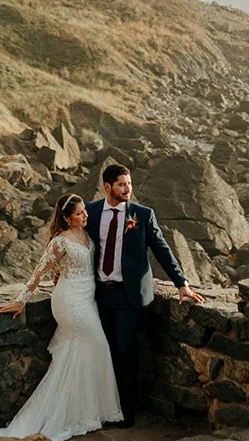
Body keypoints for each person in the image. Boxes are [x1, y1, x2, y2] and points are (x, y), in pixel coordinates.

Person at [0, 194, 123, 441]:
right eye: (79, 214)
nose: (85, 216)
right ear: (66, 218)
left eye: (85, 211)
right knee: (96, 344)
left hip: (88, 298)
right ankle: (64, 415)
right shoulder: (59, 242)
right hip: (69, 301)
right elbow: (37, 274)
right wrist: (20, 300)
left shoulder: (86, 234)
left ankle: (87, 413)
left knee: (89, 351)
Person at [87, 163, 203, 427]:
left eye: (129, 183)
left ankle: (125, 414)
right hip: (98, 295)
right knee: (104, 353)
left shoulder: (143, 215)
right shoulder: (91, 211)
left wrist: (181, 283)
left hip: (128, 297)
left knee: (126, 353)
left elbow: (162, 249)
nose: (128, 188)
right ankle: (104, 408)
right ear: (107, 187)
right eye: (121, 184)